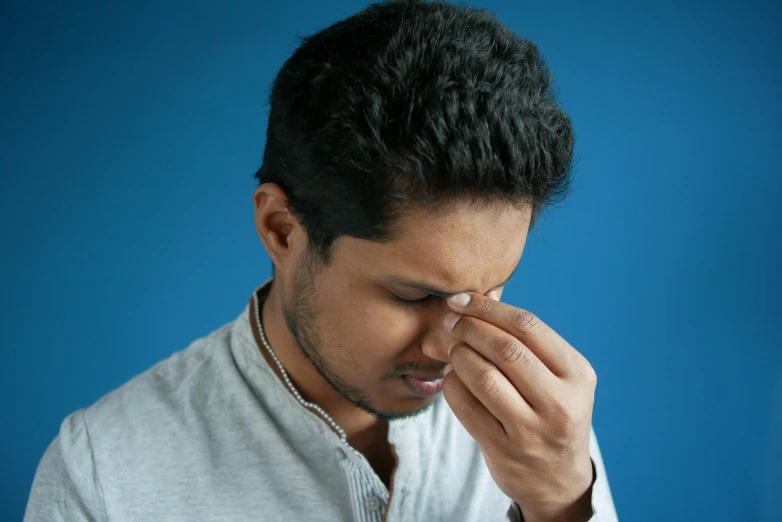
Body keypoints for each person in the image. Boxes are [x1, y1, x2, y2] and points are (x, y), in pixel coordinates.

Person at [24, 1, 619, 520]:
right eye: (412, 296)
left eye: (490, 293)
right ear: (281, 230)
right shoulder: (103, 475)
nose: (451, 345)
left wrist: (563, 504)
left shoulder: (541, 430)